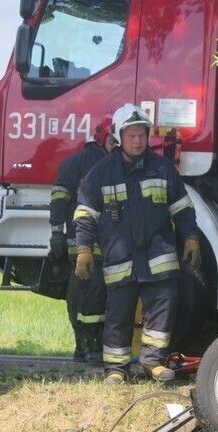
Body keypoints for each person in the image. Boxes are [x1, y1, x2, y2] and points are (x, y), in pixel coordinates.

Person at [73, 103, 201, 384]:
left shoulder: (162, 168)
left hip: (158, 255)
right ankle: (117, 370)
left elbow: (182, 208)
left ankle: (152, 362)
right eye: (131, 135)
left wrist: (191, 236)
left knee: (164, 307)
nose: (138, 140)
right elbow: (85, 214)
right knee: (118, 315)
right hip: (121, 258)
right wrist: (83, 248)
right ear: (119, 136)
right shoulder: (101, 172)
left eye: (142, 134)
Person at [48, 116, 114, 363]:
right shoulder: (77, 163)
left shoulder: (116, 162)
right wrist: (56, 233)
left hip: (108, 240)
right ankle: (85, 344)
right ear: (102, 137)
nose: (116, 145)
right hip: (80, 239)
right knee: (85, 290)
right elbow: (59, 198)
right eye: (112, 139)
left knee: (99, 292)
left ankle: (89, 346)